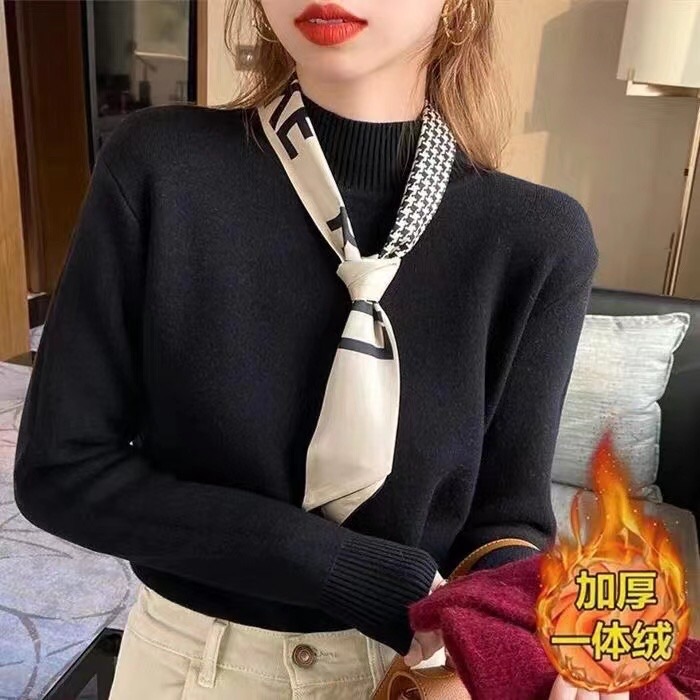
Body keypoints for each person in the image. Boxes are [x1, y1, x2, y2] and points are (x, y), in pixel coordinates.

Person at [12, 0, 621, 698]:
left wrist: (512, 626)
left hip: (409, 673)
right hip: (188, 666)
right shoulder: (159, 167)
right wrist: (343, 571)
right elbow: (61, 470)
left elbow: (508, 519)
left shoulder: (537, 239)